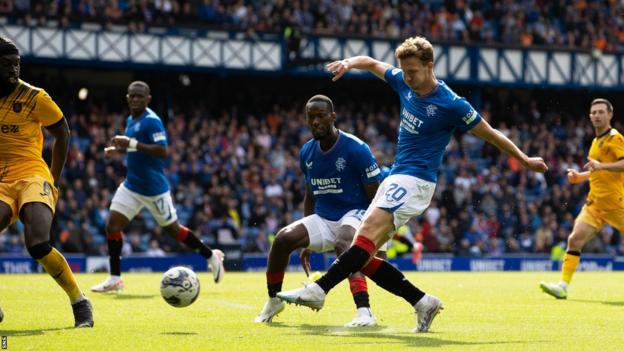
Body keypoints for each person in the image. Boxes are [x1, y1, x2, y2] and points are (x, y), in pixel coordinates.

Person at [277, 36, 548, 332]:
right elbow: (371, 63)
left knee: (361, 241)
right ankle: (422, 301)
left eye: (413, 71)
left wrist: (524, 160)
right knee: (362, 255)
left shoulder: (451, 103)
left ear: (429, 66)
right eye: (404, 71)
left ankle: (319, 290)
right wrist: (348, 63)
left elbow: (491, 133)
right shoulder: (404, 82)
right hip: (395, 176)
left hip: (416, 180)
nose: (407, 77)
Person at [255, 95, 386, 327]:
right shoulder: (307, 152)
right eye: (311, 117)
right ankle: (274, 299)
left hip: (357, 212)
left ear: (333, 117)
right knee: (283, 239)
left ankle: (364, 311)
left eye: (321, 116)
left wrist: (378, 238)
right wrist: (306, 239)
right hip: (325, 217)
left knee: (344, 244)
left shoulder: (356, 149)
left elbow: (376, 197)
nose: (315, 121)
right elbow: (310, 192)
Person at [91, 81, 225, 293]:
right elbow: (137, 151)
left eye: (139, 96)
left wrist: (131, 144)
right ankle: (115, 278)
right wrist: (116, 150)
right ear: (127, 98)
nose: (135, 99)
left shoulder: (152, 121)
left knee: (173, 231)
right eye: (132, 96)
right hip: (132, 185)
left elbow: (162, 151)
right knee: (112, 225)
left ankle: (211, 255)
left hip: (154, 189)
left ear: (148, 99)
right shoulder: (130, 120)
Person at [0, 37, 93, 327]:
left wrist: (52, 179)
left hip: (33, 173)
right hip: (2, 178)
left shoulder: (34, 97)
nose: (14, 69)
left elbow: (63, 132)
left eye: (17, 64)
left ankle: (80, 302)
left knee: (37, 243)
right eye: (6, 64)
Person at [540, 98, 624, 299]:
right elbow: (599, 171)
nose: (596, 115)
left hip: (616, 203)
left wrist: (601, 166)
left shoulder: (615, 138)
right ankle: (562, 286)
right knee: (575, 239)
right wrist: (581, 177)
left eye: (601, 112)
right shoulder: (596, 141)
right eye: (593, 112)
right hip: (595, 204)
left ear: (610, 115)